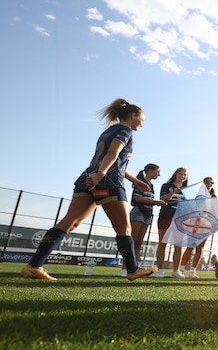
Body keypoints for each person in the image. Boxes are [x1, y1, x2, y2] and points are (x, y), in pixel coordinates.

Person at [21, 98, 157, 281]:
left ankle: (33, 266)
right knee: (124, 228)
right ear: (133, 116)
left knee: (69, 222)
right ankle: (132, 270)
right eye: (142, 119)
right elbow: (112, 154)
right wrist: (101, 174)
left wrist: (134, 180)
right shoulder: (125, 131)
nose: (142, 123)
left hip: (87, 179)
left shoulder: (108, 131)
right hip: (108, 181)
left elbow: (112, 160)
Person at [125, 163, 167, 276]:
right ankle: (125, 268)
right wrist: (155, 202)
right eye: (157, 171)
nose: (159, 174)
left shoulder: (152, 186)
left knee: (139, 242)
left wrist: (155, 203)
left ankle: (133, 267)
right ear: (150, 171)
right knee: (132, 241)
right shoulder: (140, 182)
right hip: (138, 212)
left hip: (148, 214)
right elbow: (137, 198)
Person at [177, 177, 217, 279]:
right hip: (195, 223)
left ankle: (192, 271)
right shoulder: (197, 196)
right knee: (190, 246)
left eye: (211, 182)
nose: (209, 184)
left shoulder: (213, 198)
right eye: (207, 182)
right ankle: (180, 269)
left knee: (200, 248)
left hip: (206, 224)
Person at [155, 167, 188, 278]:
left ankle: (176, 270)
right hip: (166, 216)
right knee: (162, 243)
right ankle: (160, 270)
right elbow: (164, 200)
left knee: (178, 245)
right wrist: (173, 192)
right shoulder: (166, 186)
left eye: (184, 175)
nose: (182, 176)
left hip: (180, 219)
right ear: (175, 174)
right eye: (180, 174)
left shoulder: (187, 189)